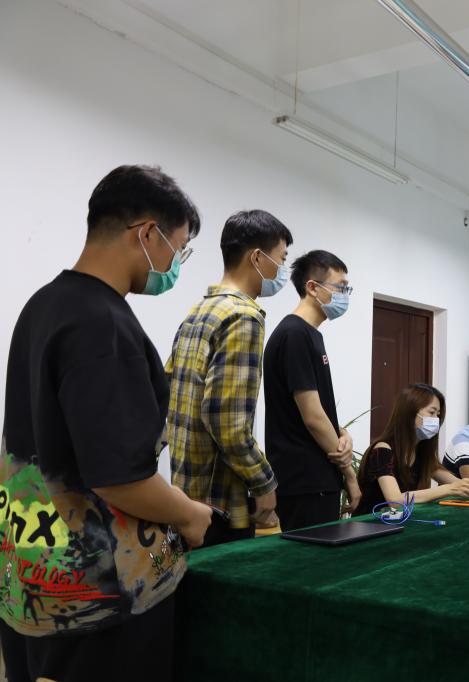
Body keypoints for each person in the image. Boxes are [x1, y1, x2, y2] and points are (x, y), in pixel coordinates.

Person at [0, 165, 213, 682]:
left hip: (33, 577)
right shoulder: (103, 324)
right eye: (179, 248)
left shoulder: (44, 305)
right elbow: (120, 477)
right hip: (100, 598)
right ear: (147, 234)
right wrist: (188, 513)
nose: (175, 265)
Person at [165, 209, 293, 545]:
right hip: (220, 504)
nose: (282, 270)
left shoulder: (199, 310)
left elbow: (165, 392)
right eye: (281, 258)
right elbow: (227, 422)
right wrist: (264, 482)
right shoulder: (244, 316)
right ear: (257, 258)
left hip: (185, 495)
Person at [263, 250, 360, 531]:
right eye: (340, 287)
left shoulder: (310, 334)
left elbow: (317, 410)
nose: (345, 295)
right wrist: (349, 474)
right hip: (305, 480)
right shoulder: (295, 334)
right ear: (313, 288)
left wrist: (342, 433)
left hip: (315, 479)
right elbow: (313, 417)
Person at [354, 384, 469, 515]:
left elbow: (460, 484)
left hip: (400, 521)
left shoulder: (421, 453)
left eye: (438, 415)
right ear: (410, 412)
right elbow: (395, 500)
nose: (436, 420)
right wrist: (448, 489)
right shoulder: (382, 450)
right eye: (431, 412)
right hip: (370, 522)